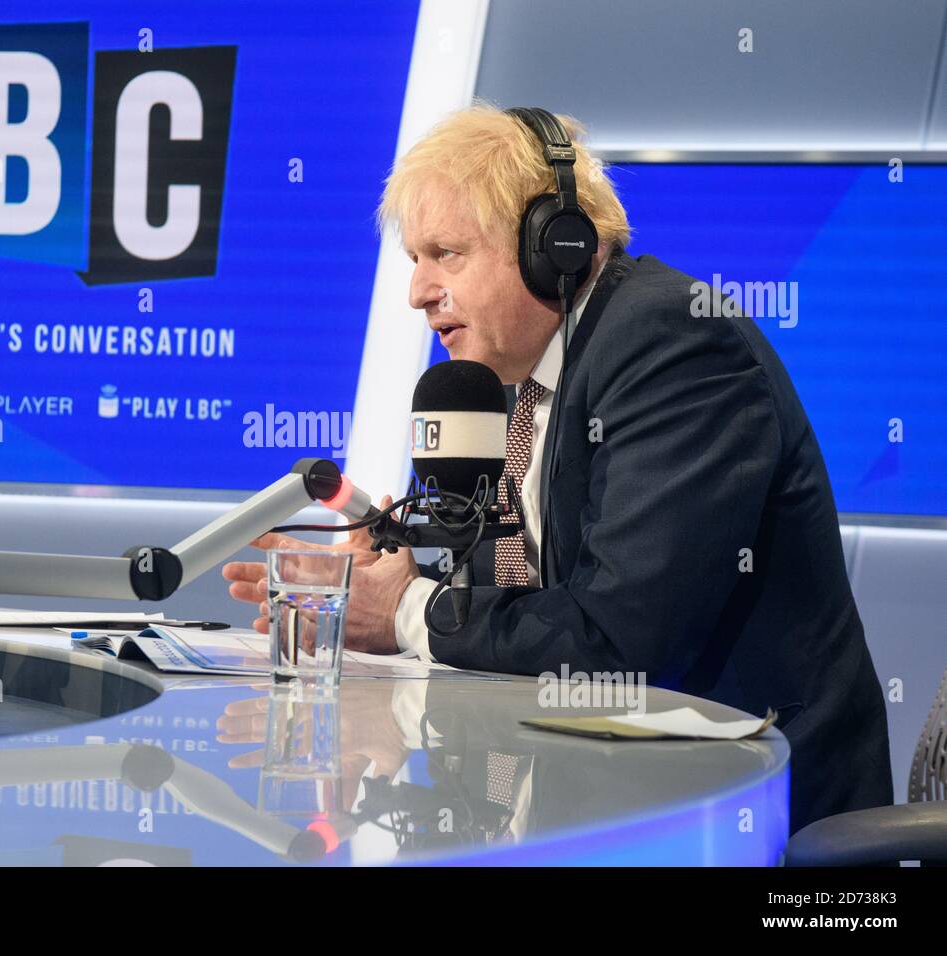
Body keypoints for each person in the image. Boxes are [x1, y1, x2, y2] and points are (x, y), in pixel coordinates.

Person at [222, 104, 893, 834]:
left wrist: (407, 611)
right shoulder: (523, 388)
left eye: (446, 253)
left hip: (741, 820)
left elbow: (619, 640)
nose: (417, 290)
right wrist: (392, 581)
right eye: (414, 259)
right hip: (592, 801)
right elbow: (526, 601)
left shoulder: (671, 346)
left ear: (555, 244)